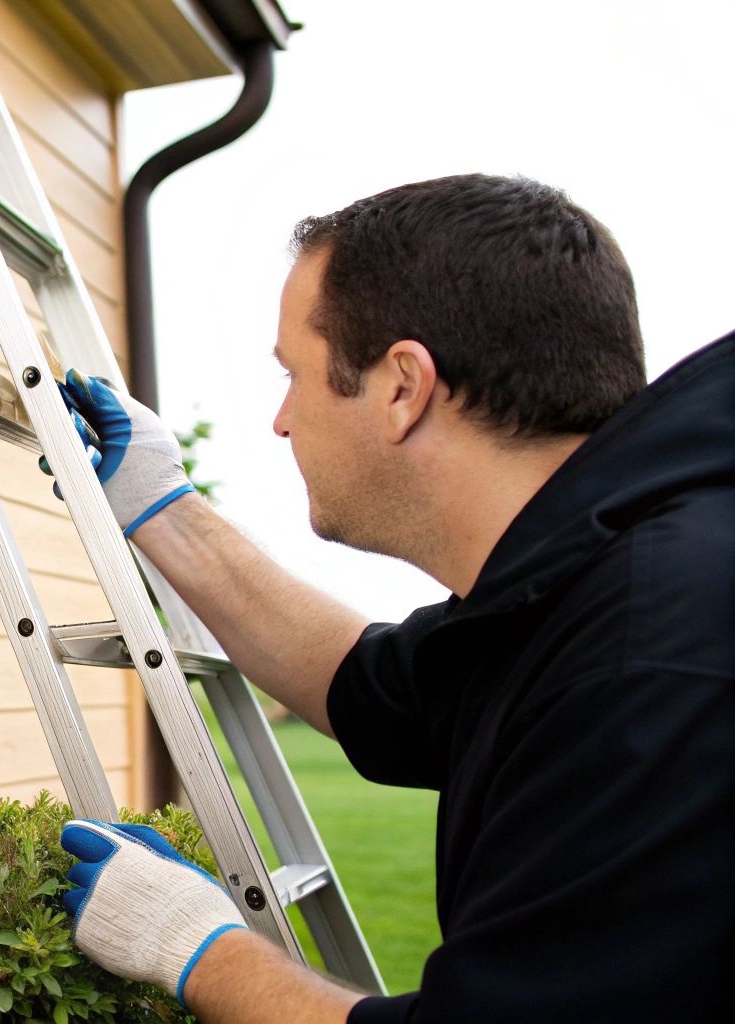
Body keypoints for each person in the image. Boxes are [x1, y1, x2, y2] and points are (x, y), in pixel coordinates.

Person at [48, 173, 734, 1022]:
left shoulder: (653, 657)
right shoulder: (575, 590)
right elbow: (369, 687)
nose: (282, 421)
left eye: (295, 375)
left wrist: (196, 947)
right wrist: (165, 508)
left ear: (403, 387)